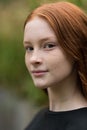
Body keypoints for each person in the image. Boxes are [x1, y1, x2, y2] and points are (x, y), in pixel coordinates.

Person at [23, 1, 87, 130]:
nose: (34, 59)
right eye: (29, 48)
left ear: (76, 49)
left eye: (49, 46)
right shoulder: (39, 117)